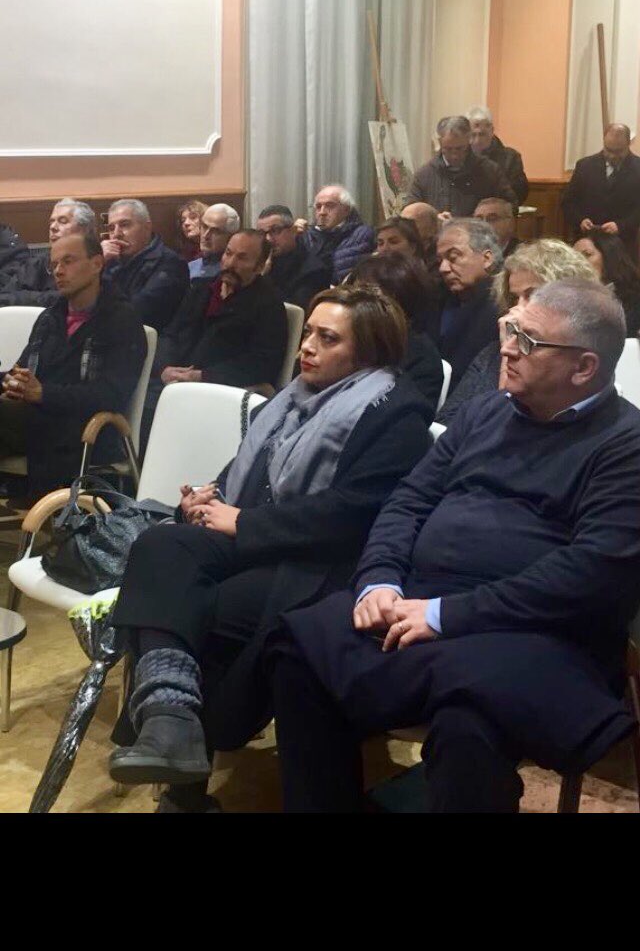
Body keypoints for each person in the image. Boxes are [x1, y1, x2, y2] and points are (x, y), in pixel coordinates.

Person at [268, 280, 640, 813]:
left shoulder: (626, 443)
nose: (506, 349)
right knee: (300, 651)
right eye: (510, 330)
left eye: (527, 341)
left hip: (538, 631)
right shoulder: (486, 412)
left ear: (583, 368)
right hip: (419, 600)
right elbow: (408, 500)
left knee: (473, 722)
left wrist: (445, 615)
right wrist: (380, 579)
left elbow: (589, 573)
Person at [107, 285, 433, 812]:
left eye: (328, 339)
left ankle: (182, 776)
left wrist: (244, 521)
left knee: (199, 603)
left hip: (320, 564)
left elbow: (352, 514)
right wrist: (209, 496)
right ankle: (170, 716)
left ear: (367, 352)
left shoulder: (395, 416)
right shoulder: (293, 398)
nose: (308, 346)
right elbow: (250, 467)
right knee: (161, 544)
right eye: (309, 332)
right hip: (261, 539)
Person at [0, 230, 146, 502]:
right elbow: (23, 369)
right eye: (54, 264)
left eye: (68, 261)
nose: (58, 271)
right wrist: (12, 382)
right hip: (38, 418)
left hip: (86, 429)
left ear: (97, 263)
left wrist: (43, 394)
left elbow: (112, 394)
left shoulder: (122, 320)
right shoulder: (50, 317)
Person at [438, 239, 598, 425]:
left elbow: (512, 428)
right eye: (514, 298)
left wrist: (508, 358)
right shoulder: (492, 353)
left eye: (533, 295)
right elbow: (445, 421)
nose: (518, 308)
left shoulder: (567, 359)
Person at [156, 229, 287, 391]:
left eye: (242, 258)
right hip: (174, 380)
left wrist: (202, 376)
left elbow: (263, 363)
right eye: (228, 253)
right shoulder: (201, 289)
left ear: (259, 267)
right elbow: (171, 334)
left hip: (221, 388)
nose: (230, 263)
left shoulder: (269, 304)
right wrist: (165, 368)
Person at [345, 254, 443, 412]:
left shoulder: (422, 358)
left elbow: (408, 415)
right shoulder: (346, 338)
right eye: (353, 293)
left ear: (398, 298)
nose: (355, 303)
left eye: (366, 295)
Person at [436, 217, 503, 392]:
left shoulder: (500, 308)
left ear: (487, 258)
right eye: (439, 260)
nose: (443, 268)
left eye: (453, 257)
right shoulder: (439, 298)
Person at [101, 198, 189, 331]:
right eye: (111, 228)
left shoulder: (170, 263)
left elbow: (138, 312)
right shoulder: (110, 261)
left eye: (125, 225)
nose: (116, 234)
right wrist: (98, 264)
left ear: (147, 227)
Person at [407, 116, 516, 217]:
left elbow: (510, 206)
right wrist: (434, 220)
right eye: (448, 149)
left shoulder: (490, 171)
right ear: (440, 142)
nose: (454, 156)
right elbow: (409, 214)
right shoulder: (424, 175)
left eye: (459, 148)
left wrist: (484, 217)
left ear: (469, 139)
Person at [562, 123, 640, 259]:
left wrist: (621, 225)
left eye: (618, 151)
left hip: (623, 244)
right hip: (588, 240)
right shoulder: (585, 166)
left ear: (628, 144)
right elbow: (568, 202)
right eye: (608, 150)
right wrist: (580, 220)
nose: (612, 156)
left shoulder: (638, 168)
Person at [0, 199, 96, 308]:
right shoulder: (38, 263)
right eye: (51, 221)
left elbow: (77, 297)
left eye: (63, 221)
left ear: (85, 230)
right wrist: (47, 298)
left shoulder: (94, 263)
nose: (53, 227)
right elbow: (5, 297)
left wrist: (31, 297)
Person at [256, 204, 330, 312]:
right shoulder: (261, 259)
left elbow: (293, 313)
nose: (268, 239)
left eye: (275, 230)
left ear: (293, 230)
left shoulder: (314, 270)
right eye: (262, 233)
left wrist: (262, 278)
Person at [298, 185, 375, 282]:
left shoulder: (363, 235)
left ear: (346, 210)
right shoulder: (307, 235)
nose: (322, 212)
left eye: (329, 206)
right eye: (318, 207)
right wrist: (293, 237)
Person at [574, 231, 640, 337]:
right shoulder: (570, 298)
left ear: (609, 256)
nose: (578, 263)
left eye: (587, 255)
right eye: (574, 257)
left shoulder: (635, 298)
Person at [466, 105, 529, 204]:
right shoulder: (460, 157)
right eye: (473, 135)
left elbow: (519, 194)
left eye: (482, 134)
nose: (477, 140)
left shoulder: (511, 158)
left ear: (491, 131)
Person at [188, 204, 240, 282]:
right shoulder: (189, 267)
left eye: (215, 231)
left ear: (231, 236)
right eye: (204, 227)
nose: (206, 236)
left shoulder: (234, 271)